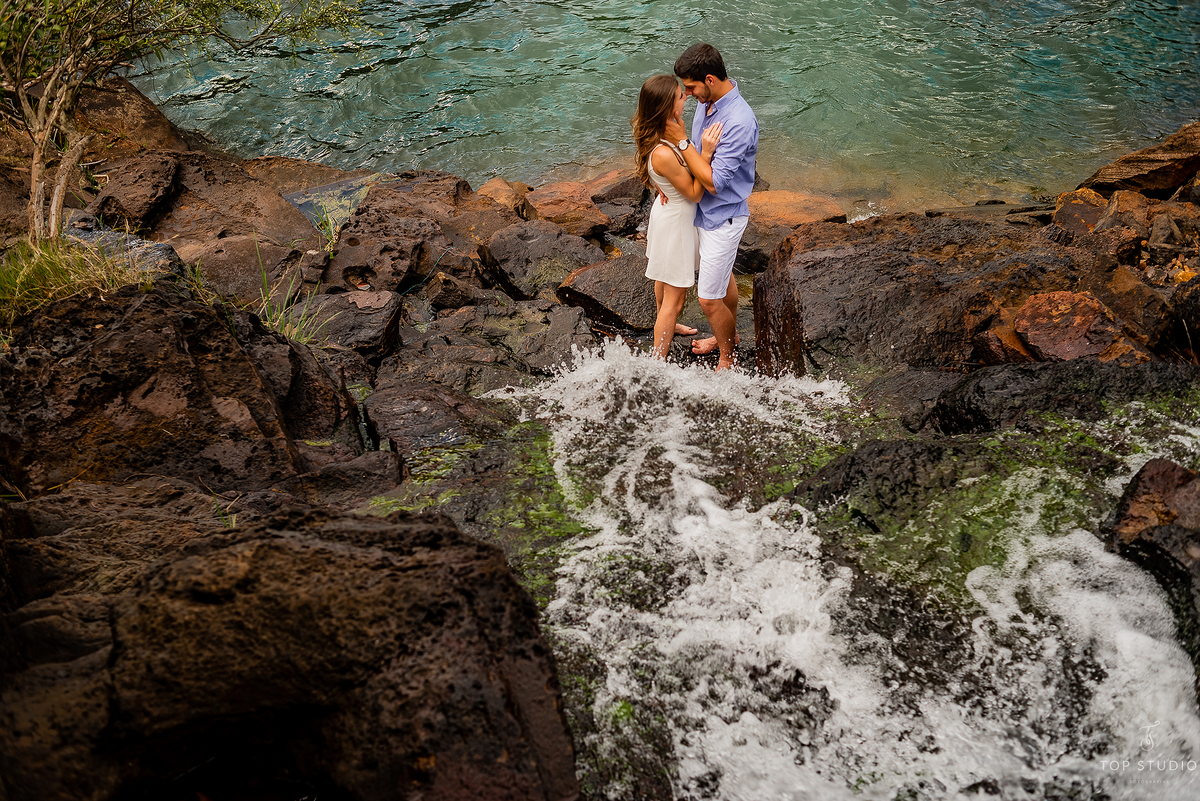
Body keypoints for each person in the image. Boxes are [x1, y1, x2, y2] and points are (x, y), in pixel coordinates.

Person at [664, 43, 759, 371]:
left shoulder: (739, 121)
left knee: (708, 298)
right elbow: (696, 160)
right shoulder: (708, 103)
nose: (687, 94)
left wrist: (682, 141)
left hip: (724, 217)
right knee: (724, 280)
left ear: (709, 79)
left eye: (691, 87)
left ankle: (727, 358)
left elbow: (715, 182)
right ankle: (726, 338)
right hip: (703, 211)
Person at [632, 74, 723, 359]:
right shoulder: (663, 151)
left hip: (667, 214)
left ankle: (667, 325)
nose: (686, 98)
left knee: (663, 279)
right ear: (668, 106)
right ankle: (658, 360)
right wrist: (705, 154)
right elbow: (695, 193)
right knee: (676, 297)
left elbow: (666, 174)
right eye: (681, 96)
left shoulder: (662, 134)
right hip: (677, 224)